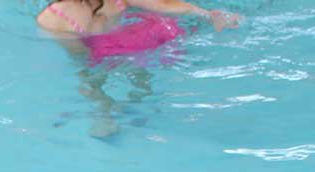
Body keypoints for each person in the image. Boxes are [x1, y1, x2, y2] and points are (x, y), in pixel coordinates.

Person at [37, 0, 242, 137]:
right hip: (116, 40)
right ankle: (116, 109)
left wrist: (208, 14)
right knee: (105, 75)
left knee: (97, 78)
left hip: (125, 38)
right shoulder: (59, 16)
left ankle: (119, 108)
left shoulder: (62, 15)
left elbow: (162, 4)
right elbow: (78, 53)